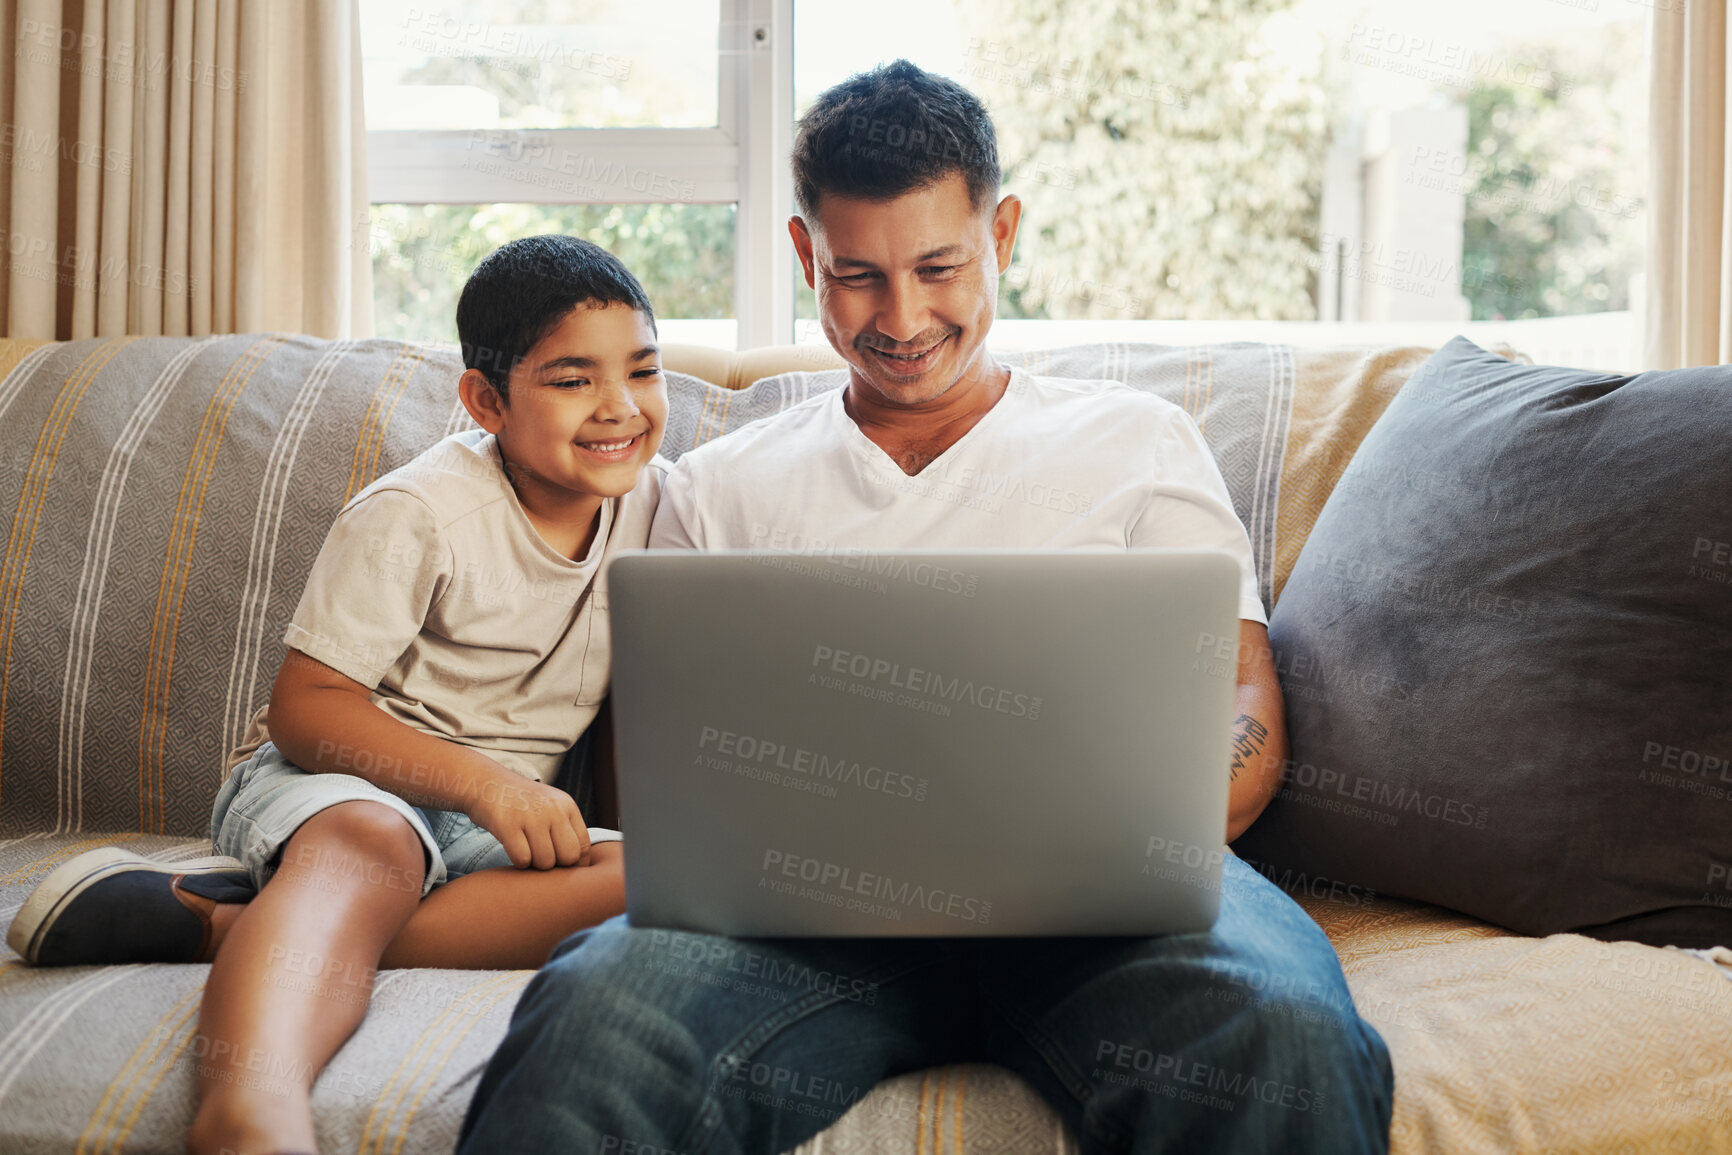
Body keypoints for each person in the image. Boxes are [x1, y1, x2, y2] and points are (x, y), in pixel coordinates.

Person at [456, 62, 1394, 1155]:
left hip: (1111, 910)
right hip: (797, 924)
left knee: (1279, 1032)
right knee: (595, 1021)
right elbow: (642, 777)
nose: (901, 318)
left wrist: (1139, 834)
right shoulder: (717, 487)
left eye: (939, 266)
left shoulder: (1136, 442)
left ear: (1001, 234)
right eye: (857, 275)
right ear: (807, 255)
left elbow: (1243, 695)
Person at [6, 235, 671, 1155]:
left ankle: (236, 926)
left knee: (664, 880)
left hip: (490, 827)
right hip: (336, 782)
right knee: (373, 843)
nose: (620, 407)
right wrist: (485, 783)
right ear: (486, 400)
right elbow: (309, 708)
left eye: (642, 370)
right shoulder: (422, 510)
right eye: (572, 379)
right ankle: (249, 1115)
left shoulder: (660, 506)